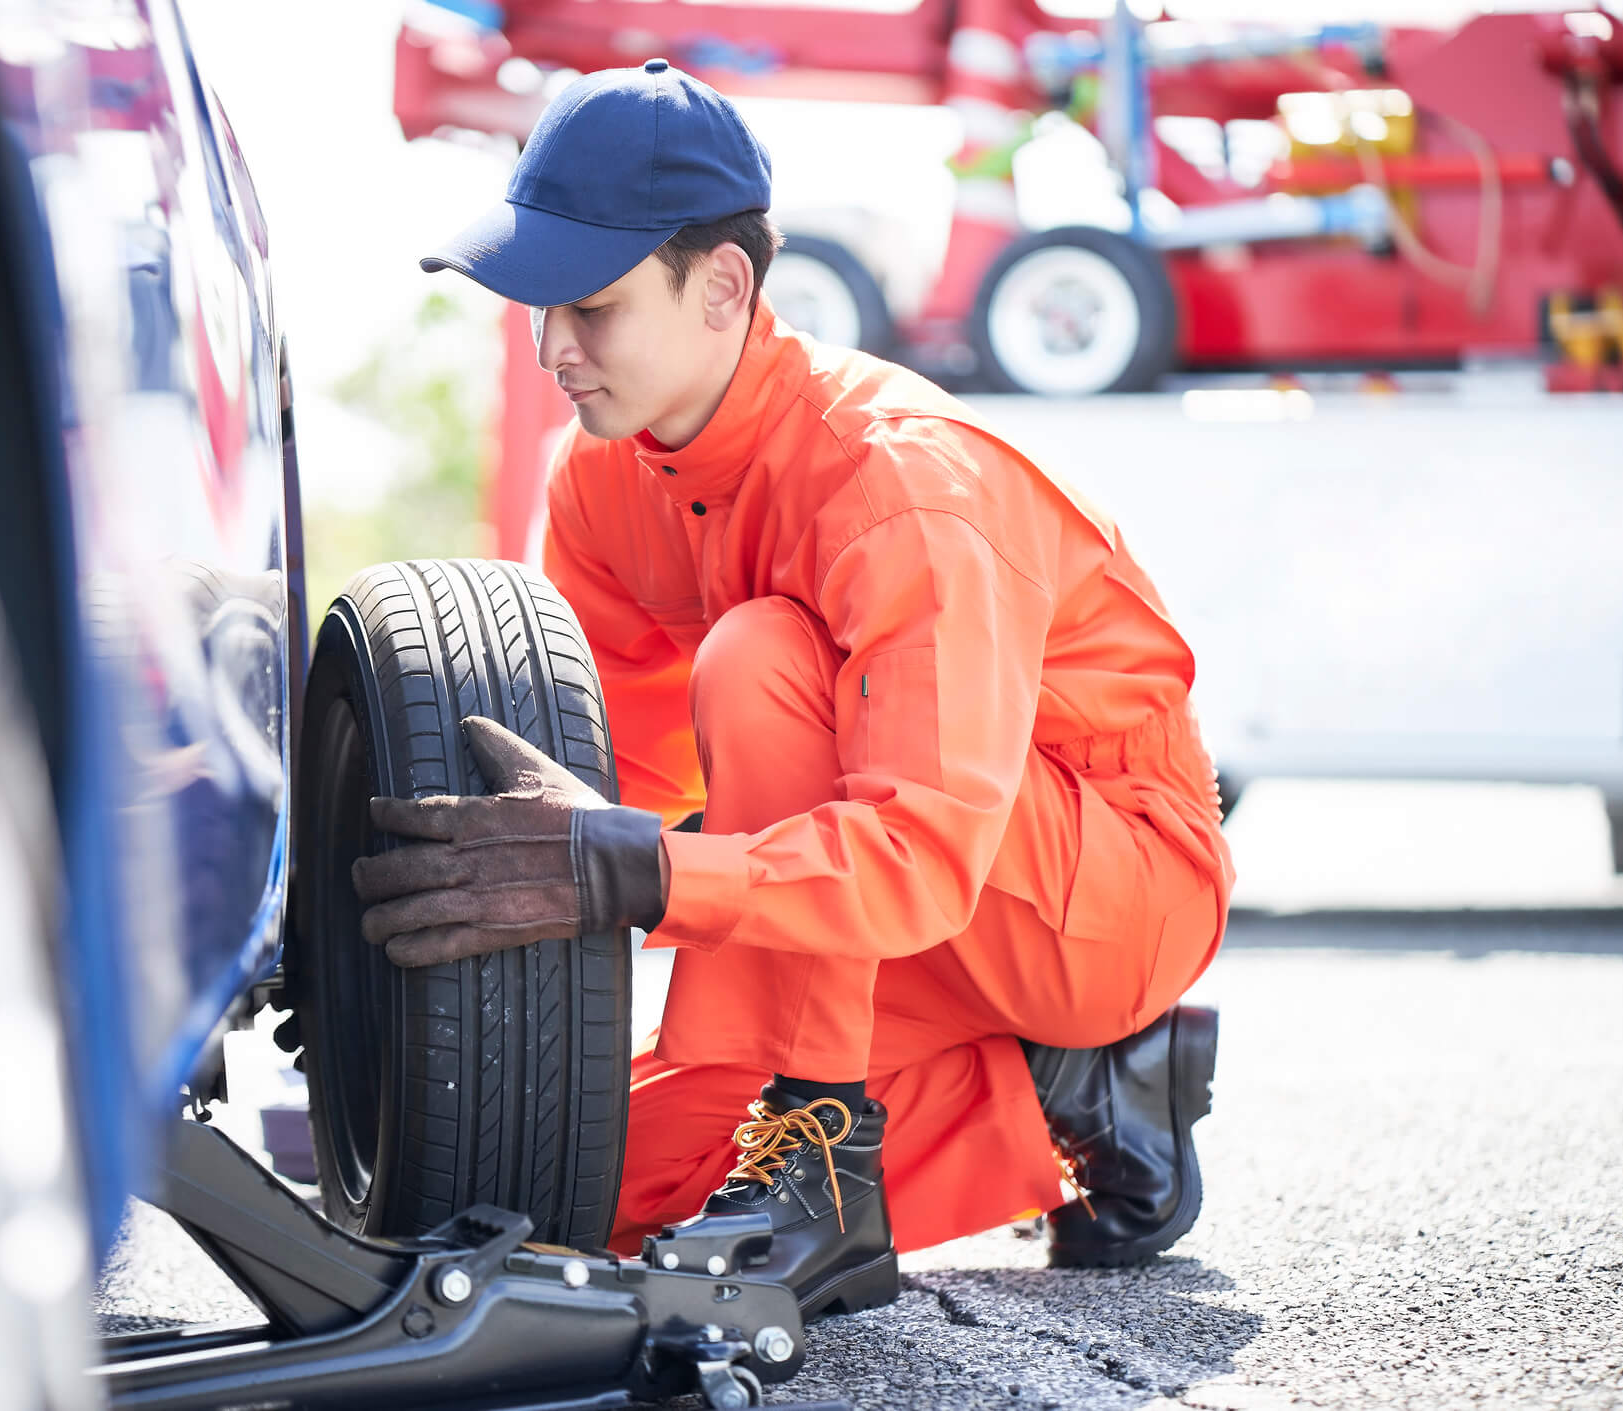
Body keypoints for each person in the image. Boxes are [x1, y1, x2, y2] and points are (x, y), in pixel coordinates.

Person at [353, 60, 1234, 1320]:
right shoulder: (601, 479)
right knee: (547, 1201)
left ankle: (824, 1173)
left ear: (721, 288)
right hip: (883, 915)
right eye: (533, 306)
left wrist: (633, 868)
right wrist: (403, 965)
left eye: (588, 307)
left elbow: (918, 853)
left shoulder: (898, 488)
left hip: (1098, 887)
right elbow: (608, 802)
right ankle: (1071, 1095)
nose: (551, 347)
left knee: (763, 655)